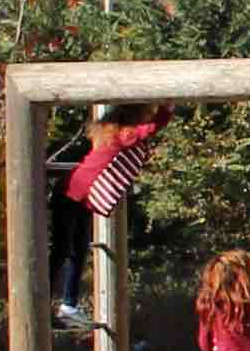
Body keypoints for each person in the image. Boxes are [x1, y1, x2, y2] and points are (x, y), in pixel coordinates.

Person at [49, 104, 166, 331]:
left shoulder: (111, 134)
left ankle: (69, 306)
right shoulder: (121, 135)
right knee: (62, 251)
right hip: (70, 194)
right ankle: (46, 302)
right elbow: (150, 129)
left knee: (78, 250)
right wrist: (167, 109)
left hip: (80, 196)